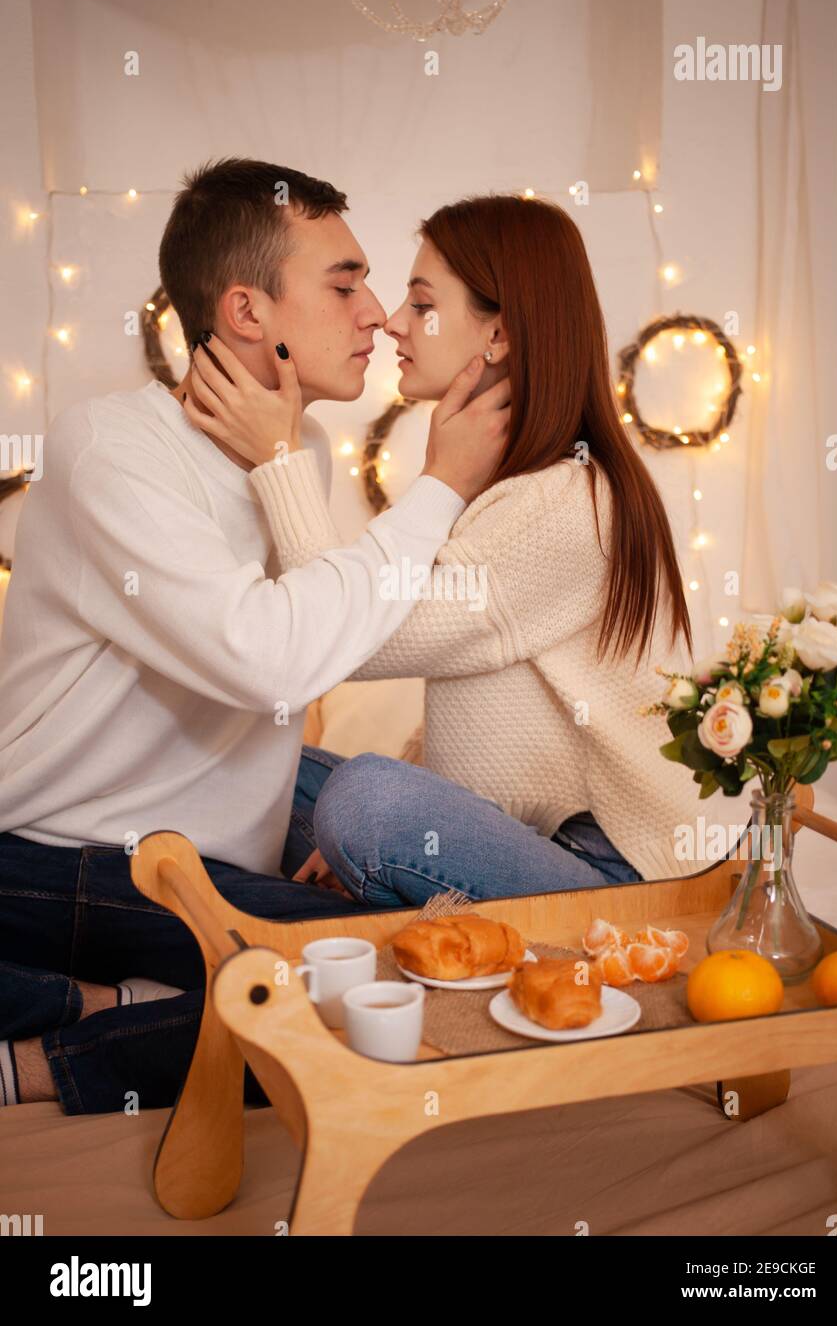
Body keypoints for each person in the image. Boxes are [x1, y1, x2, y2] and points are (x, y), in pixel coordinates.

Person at [0, 158, 509, 1113]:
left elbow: (322, 628)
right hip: (62, 857)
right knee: (383, 992)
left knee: (415, 952)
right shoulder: (111, 446)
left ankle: (109, 999)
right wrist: (438, 487)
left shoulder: (298, 448)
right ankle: (47, 1056)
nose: (375, 315)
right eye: (345, 283)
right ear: (246, 312)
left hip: (203, 863)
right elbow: (270, 658)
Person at [193, 193, 749, 910]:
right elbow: (482, 702)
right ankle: (376, 894)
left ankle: (368, 908)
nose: (391, 321)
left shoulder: (565, 504)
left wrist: (278, 457)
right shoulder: (505, 483)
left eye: (421, 304)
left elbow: (346, 642)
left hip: (621, 885)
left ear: (500, 336)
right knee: (251, 761)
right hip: (528, 838)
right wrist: (429, 819)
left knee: (364, 803)